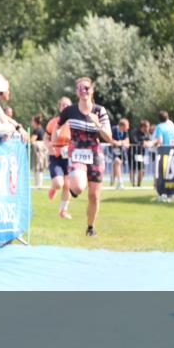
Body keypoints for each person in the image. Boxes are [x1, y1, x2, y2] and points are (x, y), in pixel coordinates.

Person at [53, 77, 112, 237]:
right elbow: (57, 125)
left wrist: (98, 124)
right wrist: (54, 141)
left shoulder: (100, 111)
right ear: (76, 92)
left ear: (92, 90)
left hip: (95, 154)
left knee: (94, 196)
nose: (83, 91)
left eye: (86, 88)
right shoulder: (70, 111)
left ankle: (90, 228)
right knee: (79, 186)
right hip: (77, 151)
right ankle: (75, 188)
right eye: (80, 88)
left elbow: (109, 138)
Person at [45, 97, 74, 219]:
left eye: (67, 105)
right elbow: (46, 137)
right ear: (59, 107)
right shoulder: (53, 122)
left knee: (68, 185)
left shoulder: (74, 123)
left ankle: (63, 210)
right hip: (55, 156)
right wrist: (49, 146)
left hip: (69, 157)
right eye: (63, 105)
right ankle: (54, 188)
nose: (65, 107)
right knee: (58, 184)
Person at [130, 119, 154, 187]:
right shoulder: (135, 132)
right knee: (133, 169)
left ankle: (138, 185)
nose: (148, 128)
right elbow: (134, 141)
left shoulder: (147, 134)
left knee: (142, 170)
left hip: (141, 154)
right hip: (133, 153)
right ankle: (133, 185)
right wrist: (143, 143)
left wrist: (148, 143)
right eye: (147, 127)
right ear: (143, 127)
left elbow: (150, 141)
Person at [109, 118, 130, 189]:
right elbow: (110, 139)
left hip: (121, 152)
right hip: (112, 151)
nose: (128, 127)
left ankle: (112, 183)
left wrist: (120, 143)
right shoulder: (114, 129)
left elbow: (127, 142)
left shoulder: (125, 132)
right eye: (127, 126)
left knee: (116, 166)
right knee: (117, 162)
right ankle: (120, 182)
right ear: (122, 125)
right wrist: (117, 142)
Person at [29, 114, 48, 188]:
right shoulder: (42, 129)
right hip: (43, 151)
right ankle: (39, 184)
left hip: (38, 151)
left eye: (32, 121)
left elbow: (32, 140)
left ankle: (38, 185)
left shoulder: (37, 130)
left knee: (38, 168)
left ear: (35, 122)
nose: (31, 123)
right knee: (40, 168)